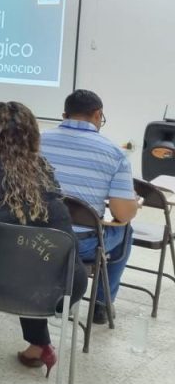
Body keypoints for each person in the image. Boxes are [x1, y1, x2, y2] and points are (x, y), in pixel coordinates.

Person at [0, 101, 87, 375]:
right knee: (27, 249)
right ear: (33, 135)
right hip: (56, 287)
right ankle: (40, 344)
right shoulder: (43, 169)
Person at [40, 89, 138, 324]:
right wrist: (133, 202)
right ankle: (101, 305)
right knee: (125, 231)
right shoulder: (114, 153)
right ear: (97, 115)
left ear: (64, 115)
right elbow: (122, 214)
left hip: (33, 234)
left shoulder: (36, 142)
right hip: (82, 245)